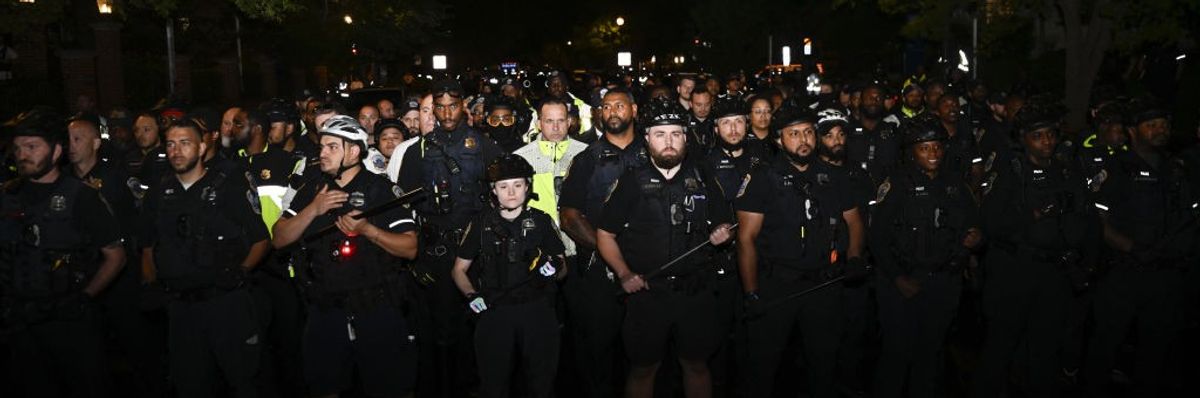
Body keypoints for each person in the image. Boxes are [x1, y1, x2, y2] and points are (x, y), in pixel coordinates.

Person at [272, 115, 420, 398]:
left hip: (375, 308)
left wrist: (367, 230)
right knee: (324, 385)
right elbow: (279, 239)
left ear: (353, 151)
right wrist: (313, 210)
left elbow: (409, 247)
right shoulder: (313, 190)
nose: (322, 153)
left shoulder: (381, 189)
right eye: (322, 146)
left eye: (332, 147)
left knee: (389, 386)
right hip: (324, 311)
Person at [597, 99, 735, 398]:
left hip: (695, 293)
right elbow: (605, 234)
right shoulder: (631, 181)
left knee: (696, 365)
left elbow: (727, 224)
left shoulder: (703, 177)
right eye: (660, 134)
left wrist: (722, 233)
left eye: (675, 134)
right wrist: (623, 273)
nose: (668, 142)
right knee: (643, 369)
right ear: (647, 139)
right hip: (647, 294)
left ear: (686, 137)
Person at [734, 106, 867, 398]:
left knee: (823, 364)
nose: (803, 139)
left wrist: (855, 256)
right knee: (763, 367)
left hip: (824, 285)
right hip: (777, 286)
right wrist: (751, 293)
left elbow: (854, 220)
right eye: (794, 134)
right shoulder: (762, 179)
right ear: (779, 140)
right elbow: (746, 239)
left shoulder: (834, 177)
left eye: (808, 132)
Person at [972, 102, 1100, 398]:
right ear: (1024, 139)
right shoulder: (1009, 172)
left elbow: (1090, 218)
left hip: (1056, 274)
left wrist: (1089, 263)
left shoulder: (1068, 170)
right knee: (1001, 348)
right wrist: (1032, 215)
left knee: (1046, 350)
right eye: (1038, 136)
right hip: (1015, 272)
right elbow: (989, 222)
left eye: (1051, 135)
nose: (1047, 141)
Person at [139, 118, 270, 398]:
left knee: (243, 380)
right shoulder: (159, 194)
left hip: (226, 305)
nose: (176, 151)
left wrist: (241, 271)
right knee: (190, 383)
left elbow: (261, 239)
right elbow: (148, 244)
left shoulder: (227, 187)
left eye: (184, 143)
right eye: (171, 144)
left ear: (201, 147)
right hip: (181, 309)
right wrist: (150, 282)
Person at [1, 109, 125, 398]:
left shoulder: (82, 197)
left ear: (56, 151)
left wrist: (84, 297)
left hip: (70, 324)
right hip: (20, 324)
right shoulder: (7, 197)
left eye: (32, 147)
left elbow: (115, 255)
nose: (22, 154)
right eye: (18, 148)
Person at [1084, 102, 1197, 398]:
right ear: (1133, 132)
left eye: (1164, 125)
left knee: (1156, 351)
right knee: (1105, 345)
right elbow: (1098, 219)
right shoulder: (1116, 167)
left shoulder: (1175, 169)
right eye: (1152, 125)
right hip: (1124, 273)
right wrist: (1131, 247)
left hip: (1166, 275)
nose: (1161, 130)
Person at [397, 79, 502, 397]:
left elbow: (505, 193)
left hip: (477, 250)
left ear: (464, 108)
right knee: (441, 329)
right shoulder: (419, 151)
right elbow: (405, 205)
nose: (446, 112)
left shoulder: (483, 146)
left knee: (480, 321)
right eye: (439, 106)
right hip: (438, 251)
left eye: (452, 105)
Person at [868, 117, 982, 398]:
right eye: (925, 148)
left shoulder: (955, 184)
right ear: (911, 151)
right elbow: (877, 238)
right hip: (903, 283)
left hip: (943, 283)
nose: (933, 154)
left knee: (931, 355)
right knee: (896, 355)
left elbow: (976, 224)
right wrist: (898, 278)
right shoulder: (896, 184)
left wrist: (977, 238)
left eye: (937, 147)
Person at [451, 155, 567, 398]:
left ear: (527, 186)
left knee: (542, 383)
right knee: (493, 384)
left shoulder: (541, 221)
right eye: (503, 186)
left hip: (536, 309)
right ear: (493, 190)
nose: (511, 192)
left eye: (517, 185)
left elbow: (563, 267)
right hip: (494, 310)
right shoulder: (480, 223)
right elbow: (459, 269)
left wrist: (553, 268)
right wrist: (471, 295)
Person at [558, 86, 648, 398]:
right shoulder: (586, 160)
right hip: (598, 276)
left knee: (647, 355)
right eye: (606, 107)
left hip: (650, 270)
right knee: (597, 354)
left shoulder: (655, 152)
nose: (612, 111)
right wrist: (609, 252)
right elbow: (568, 216)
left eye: (619, 105)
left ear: (634, 110)